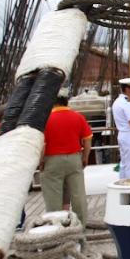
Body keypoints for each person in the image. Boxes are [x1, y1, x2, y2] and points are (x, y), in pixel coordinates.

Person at [41, 90, 92, 226]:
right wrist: (85, 157)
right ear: (66, 101)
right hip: (74, 159)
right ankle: (81, 224)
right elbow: (87, 140)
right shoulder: (78, 117)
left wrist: (41, 162)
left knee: (53, 197)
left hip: (52, 160)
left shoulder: (45, 119)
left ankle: (56, 226)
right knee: (78, 195)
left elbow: (42, 144)